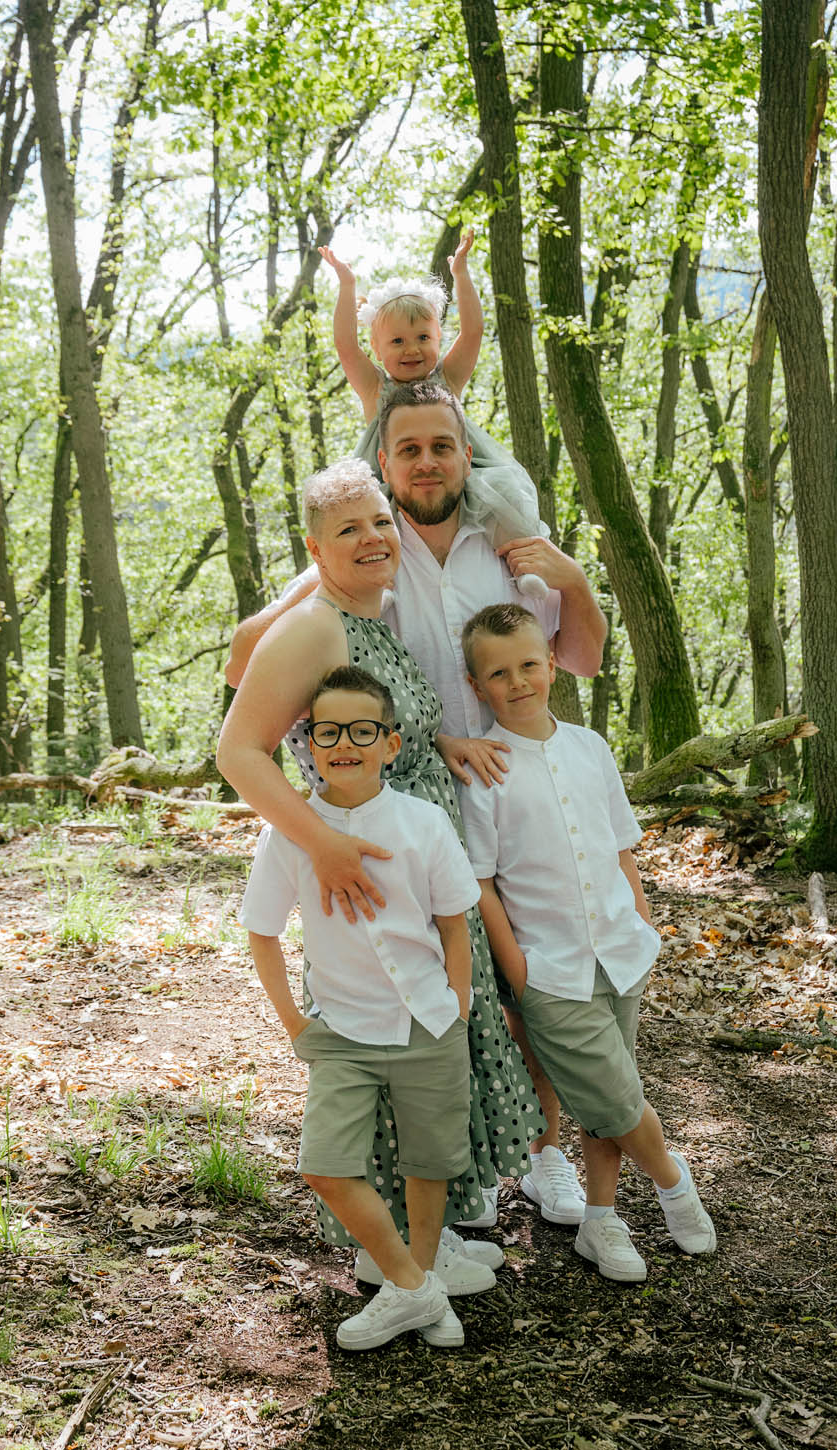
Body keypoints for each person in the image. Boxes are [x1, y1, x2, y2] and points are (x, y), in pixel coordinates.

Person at [224, 385, 608, 1226]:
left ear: (466, 454)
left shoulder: (500, 548)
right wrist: (320, 837)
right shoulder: (353, 586)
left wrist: (571, 576)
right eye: (408, 450)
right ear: (387, 466)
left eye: (444, 444)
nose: (427, 461)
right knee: (409, 1004)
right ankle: (412, 1224)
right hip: (390, 831)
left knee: (509, 990)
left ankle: (510, 1174)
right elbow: (243, 691)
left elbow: (575, 658)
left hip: (495, 791)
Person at [458, 603, 717, 1281]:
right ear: (476, 683)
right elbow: (482, 883)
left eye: (528, 665)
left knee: (613, 1094)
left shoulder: (590, 746)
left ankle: (600, 1223)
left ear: (549, 661)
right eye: (498, 673)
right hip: (550, 968)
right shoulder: (485, 770)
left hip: (620, 950)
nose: (517, 682)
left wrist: (643, 924)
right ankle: (672, 1181)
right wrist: (519, 968)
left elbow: (622, 847)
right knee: (615, 1097)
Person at [239, 665, 493, 1349]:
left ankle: (416, 1282)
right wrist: (295, 1024)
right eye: (328, 732)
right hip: (342, 1030)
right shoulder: (289, 831)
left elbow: (453, 925)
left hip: (430, 1023)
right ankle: (414, 1286)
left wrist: (459, 1009)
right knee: (324, 1164)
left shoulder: (423, 821)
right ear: (308, 744)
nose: (343, 744)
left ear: (391, 742)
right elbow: (261, 933)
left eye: (361, 730)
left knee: (429, 1161)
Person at [319, 230, 549, 597]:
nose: (412, 349)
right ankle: (383, 584)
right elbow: (345, 345)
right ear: (377, 349)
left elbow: (473, 331)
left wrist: (460, 273)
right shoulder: (375, 388)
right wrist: (347, 285)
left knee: (503, 494)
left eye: (423, 338)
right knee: (371, 513)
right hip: (389, 474)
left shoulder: (447, 378)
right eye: (397, 341)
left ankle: (524, 568)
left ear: (438, 339)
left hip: (454, 468)